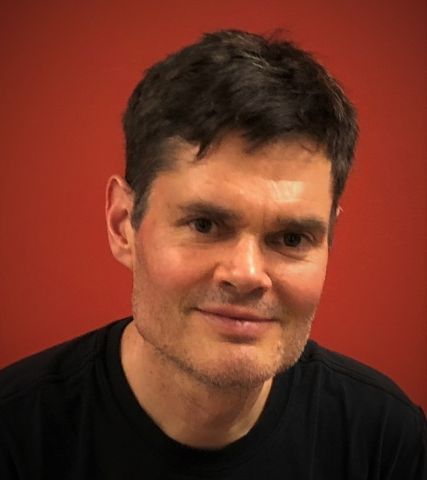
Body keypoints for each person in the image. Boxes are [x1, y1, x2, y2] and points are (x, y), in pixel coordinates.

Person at [0, 29, 425, 479]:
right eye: (204, 225)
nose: (246, 274)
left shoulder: (384, 441)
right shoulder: (14, 436)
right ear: (123, 224)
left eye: (292, 239)